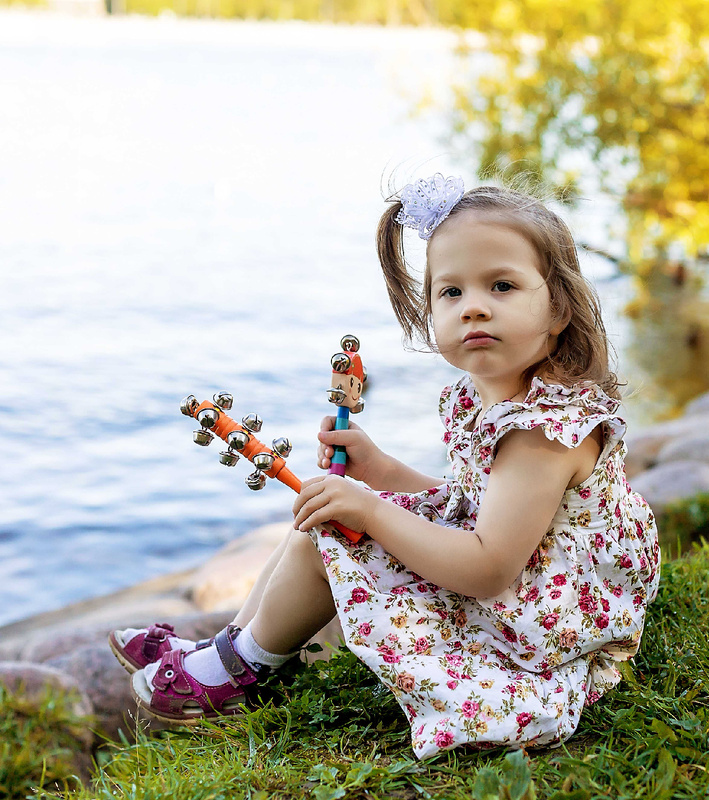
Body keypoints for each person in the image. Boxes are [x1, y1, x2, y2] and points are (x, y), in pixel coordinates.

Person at [110, 174, 661, 758]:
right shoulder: (490, 397)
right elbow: (473, 506)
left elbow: (488, 567)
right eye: (450, 292)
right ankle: (228, 651)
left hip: (542, 625)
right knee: (324, 520)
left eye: (501, 285)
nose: (472, 306)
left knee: (331, 537)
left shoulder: (540, 433)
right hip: (535, 583)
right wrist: (382, 470)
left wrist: (370, 510)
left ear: (559, 309)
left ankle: (235, 672)